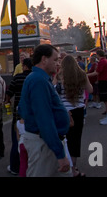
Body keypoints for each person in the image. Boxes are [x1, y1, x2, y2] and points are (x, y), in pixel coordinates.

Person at [18, 44, 72, 177]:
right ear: (44, 59)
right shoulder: (38, 81)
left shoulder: (39, 79)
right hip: (43, 144)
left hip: (46, 142)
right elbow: (44, 119)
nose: (57, 63)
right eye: (55, 59)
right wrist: (59, 153)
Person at [55, 55, 93, 177]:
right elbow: (90, 90)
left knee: (63, 139)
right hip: (78, 110)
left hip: (64, 111)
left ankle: (63, 164)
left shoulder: (59, 76)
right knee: (75, 139)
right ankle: (74, 167)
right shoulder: (82, 75)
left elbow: (53, 91)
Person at [5, 57, 33, 175]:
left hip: (18, 115)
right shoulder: (35, 78)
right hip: (32, 115)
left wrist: (8, 102)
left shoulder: (17, 78)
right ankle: (31, 166)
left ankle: (15, 167)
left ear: (24, 66)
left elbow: (8, 94)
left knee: (17, 141)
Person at [88, 49, 107, 125]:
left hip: (104, 82)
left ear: (98, 54)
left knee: (106, 101)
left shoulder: (102, 62)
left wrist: (86, 75)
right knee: (106, 100)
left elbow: (97, 72)